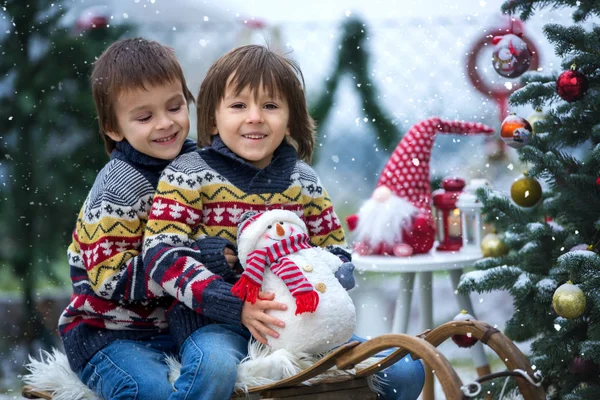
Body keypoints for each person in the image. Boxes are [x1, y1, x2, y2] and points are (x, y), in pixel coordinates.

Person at [142, 44, 425, 400]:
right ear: (213, 118)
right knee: (213, 369)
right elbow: (160, 254)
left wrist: (329, 272)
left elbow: (334, 245)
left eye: (271, 105)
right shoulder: (189, 175)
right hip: (215, 324)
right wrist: (232, 302)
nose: (255, 117)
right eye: (239, 105)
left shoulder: (302, 179)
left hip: (302, 323)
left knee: (405, 368)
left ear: (290, 118)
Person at [57, 37, 198, 400]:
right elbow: (110, 279)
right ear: (114, 129)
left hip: (179, 327)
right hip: (110, 332)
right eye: (145, 116)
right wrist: (195, 261)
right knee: (145, 388)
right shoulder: (118, 188)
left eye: (175, 106)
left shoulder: (197, 167)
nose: (166, 124)